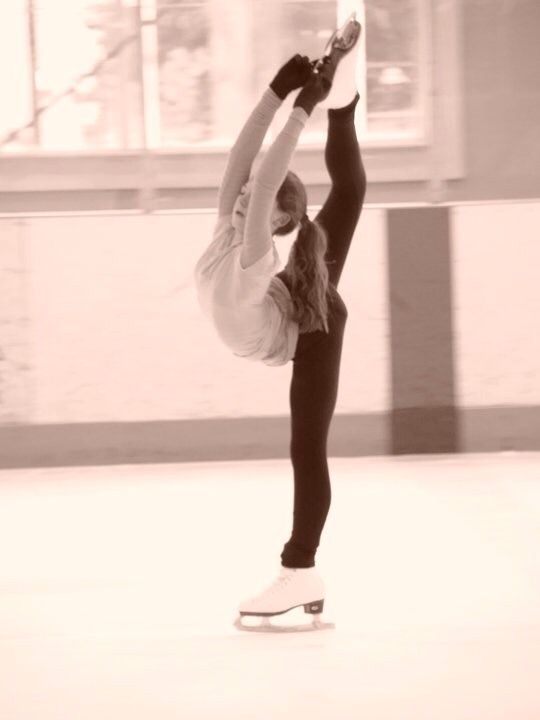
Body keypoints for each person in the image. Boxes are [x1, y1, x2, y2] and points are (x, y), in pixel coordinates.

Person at [194, 15, 366, 631]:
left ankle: (300, 570)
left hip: (312, 328)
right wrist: (275, 91)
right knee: (347, 199)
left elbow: (264, 178)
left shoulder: (252, 254)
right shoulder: (228, 228)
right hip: (293, 301)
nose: (241, 199)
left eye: (256, 205)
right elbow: (243, 166)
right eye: (239, 199)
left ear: (276, 221)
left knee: (305, 447)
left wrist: (304, 107)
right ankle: (345, 106)